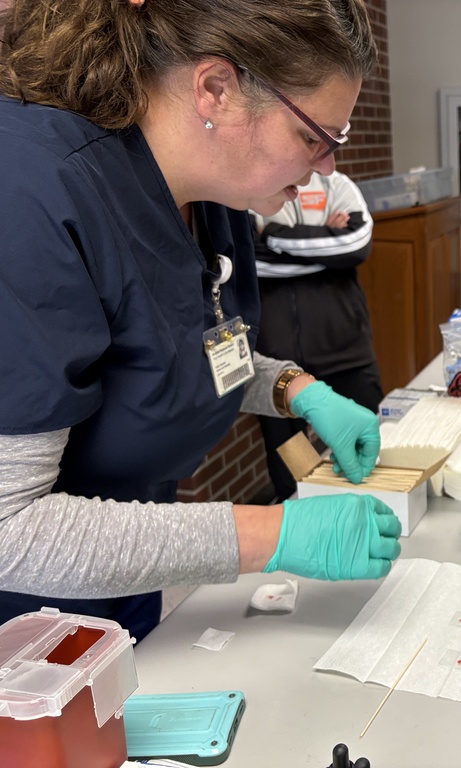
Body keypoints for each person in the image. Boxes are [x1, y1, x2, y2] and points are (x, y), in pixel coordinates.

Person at [0, 0, 400, 642]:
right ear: (216, 89)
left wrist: (294, 389)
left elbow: (176, 351)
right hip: (27, 626)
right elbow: (9, 529)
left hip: (126, 568)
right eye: (314, 136)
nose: (327, 166)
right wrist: (269, 533)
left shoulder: (215, 195)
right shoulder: (34, 196)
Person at [250, 171, 383, 502]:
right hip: (274, 361)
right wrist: (326, 247)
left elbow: (356, 245)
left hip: (345, 349)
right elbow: (247, 261)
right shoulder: (247, 188)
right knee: (292, 483)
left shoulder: (337, 185)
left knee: (371, 461)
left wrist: (273, 234)